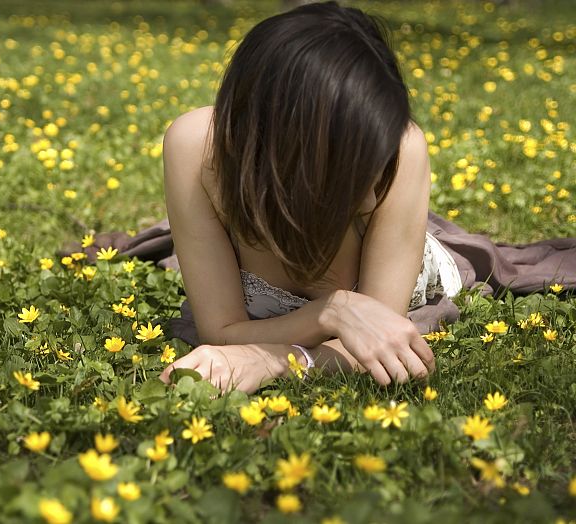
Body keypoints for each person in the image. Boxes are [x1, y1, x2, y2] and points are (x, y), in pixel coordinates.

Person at [147, 1, 574, 394]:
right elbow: (221, 331)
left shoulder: (404, 149)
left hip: (416, 261)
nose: (371, 201)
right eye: (347, 173)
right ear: (281, 154)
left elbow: (379, 336)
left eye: (376, 165)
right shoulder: (195, 149)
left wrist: (280, 361)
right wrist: (333, 311)